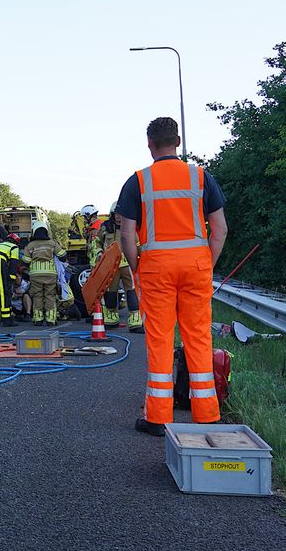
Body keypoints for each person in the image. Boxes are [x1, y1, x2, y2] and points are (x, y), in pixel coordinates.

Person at [117, 116, 228, 436]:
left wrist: (137, 265)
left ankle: (159, 417)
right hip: (195, 266)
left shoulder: (138, 181)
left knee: (161, 340)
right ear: (177, 142)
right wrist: (205, 261)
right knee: (198, 337)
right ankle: (207, 414)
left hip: (156, 268)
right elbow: (219, 229)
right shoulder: (201, 177)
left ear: (150, 144)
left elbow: (127, 236)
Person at [95, 201, 143, 333]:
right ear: (112, 214)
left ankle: (135, 323)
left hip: (127, 264)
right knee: (111, 293)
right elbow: (97, 242)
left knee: (131, 292)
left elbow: (137, 244)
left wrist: (143, 257)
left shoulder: (129, 227)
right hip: (110, 265)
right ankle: (111, 320)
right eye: (116, 214)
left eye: (121, 214)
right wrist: (99, 253)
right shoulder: (105, 227)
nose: (119, 217)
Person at [22, 219, 65, 327]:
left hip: (35, 274)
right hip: (50, 274)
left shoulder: (30, 245)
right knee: (50, 295)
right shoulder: (52, 244)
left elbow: (26, 261)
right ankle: (50, 319)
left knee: (37, 296)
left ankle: (38, 319)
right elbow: (63, 255)